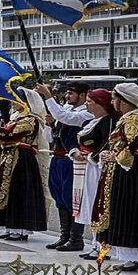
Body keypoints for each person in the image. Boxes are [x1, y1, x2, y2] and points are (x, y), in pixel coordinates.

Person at [93, 83, 138, 271]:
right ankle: (135, 257)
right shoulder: (131, 117)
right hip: (132, 168)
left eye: (115, 98)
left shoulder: (133, 119)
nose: (113, 101)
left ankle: (136, 256)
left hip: (131, 171)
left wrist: (117, 156)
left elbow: (133, 142)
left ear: (125, 101)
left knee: (129, 207)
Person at [36, 81, 92, 251]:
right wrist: (50, 123)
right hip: (58, 158)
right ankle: (64, 236)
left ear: (82, 95)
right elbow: (53, 133)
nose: (67, 97)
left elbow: (68, 119)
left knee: (71, 198)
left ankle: (76, 238)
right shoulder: (66, 110)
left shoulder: (85, 114)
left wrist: (48, 96)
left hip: (72, 161)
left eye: (71, 93)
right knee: (59, 198)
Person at [0, 87, 48, 241]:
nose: (13, 102)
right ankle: (10, 226)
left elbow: (12, 133)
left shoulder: (31, 119)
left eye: (16, 99)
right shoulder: (16, 118)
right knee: (10, 191)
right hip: (9, 157)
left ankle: (20, 228)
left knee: (19, 192)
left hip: (21, 160)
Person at [72, 88, 117, 260]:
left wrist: (90, 156)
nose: (86, 104)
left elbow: (107, 144)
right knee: (92, 205)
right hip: (89, 168)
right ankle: (95, 244)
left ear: (100, 104)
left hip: (98, 168)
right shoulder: (94, 121)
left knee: (98, 205)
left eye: (90, 101)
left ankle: (103, 247)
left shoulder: (109, 121)